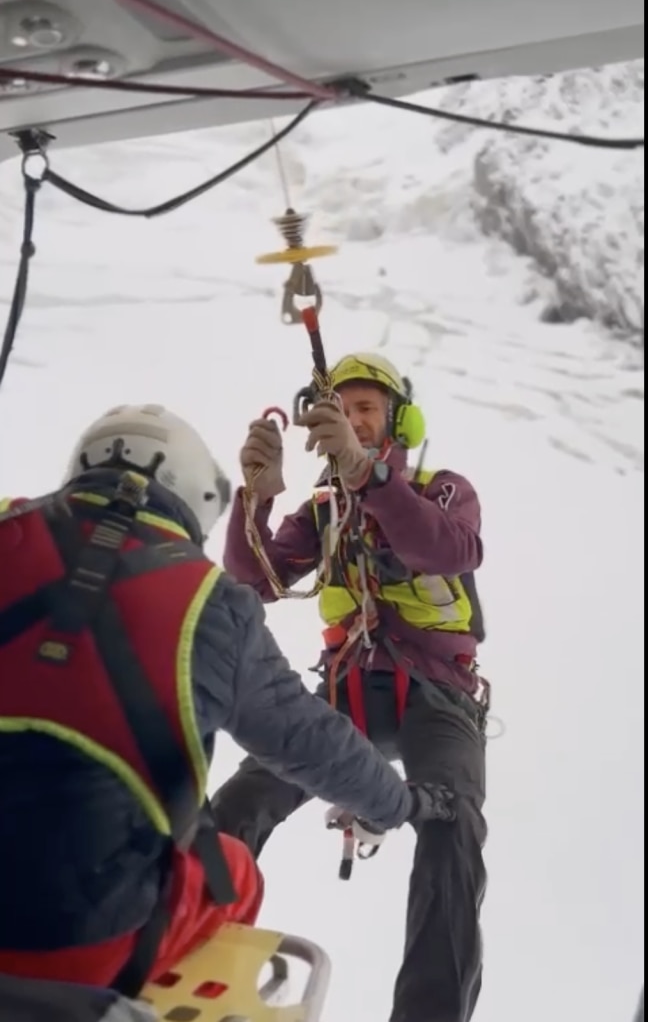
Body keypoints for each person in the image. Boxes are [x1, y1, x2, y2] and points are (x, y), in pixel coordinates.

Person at [0, 402, 451, 1000]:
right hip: (76, 946)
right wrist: (400, 804)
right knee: (230, 869)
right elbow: (310, 742)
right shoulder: (209, 602)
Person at [213, 353, 490, 1022]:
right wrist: (256, 497)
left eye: (366, 407)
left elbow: (444, 551)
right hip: (345, 692)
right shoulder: (323, 509)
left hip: (439, 694)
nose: (353, 419)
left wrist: (372, 479)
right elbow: (252, 581)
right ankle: (192, 940)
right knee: (245, 795)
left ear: (399, 421)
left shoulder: (441, 489)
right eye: (342, 408)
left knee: (453, 827)